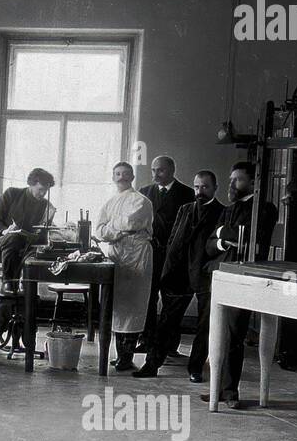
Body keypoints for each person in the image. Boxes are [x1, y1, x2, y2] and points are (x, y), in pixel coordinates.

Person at [199, 161, 279, 409]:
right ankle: (218, 390)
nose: (232, 184)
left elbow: (246, 237)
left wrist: (224, 233)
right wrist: (223, 240)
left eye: (238, 180)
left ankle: (230, 392)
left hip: (244, 278)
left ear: (254, 182)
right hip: (223, 276)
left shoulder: (264, 209)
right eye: (231, 179)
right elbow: (209, 245)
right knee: (218, 335)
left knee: (234, 335)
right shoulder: (230, 209)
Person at [133, 171, 223, 381]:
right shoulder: (185, 209)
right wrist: (168, 270)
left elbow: (220, 247)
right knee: (166, 321)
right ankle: (152, 365)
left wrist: (211, 266)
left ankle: (196, 368)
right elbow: (174, 241)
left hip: (204, 275)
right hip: (179, 274)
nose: (200, 191)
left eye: (205, 187)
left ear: (215, 188)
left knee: (204, 325)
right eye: (197, 187)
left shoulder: (222, 212)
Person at [0, 167, 56, 348]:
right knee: (14, 238)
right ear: (31, 184)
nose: (43, 194)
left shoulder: (45, 206)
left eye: (46, 190)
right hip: (0, 243)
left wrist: (48, 228)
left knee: (25, 291)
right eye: (40, 189)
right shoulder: (12, 194)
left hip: (24, 249)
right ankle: (10, 282)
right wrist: (4, 231)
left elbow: (41, 235)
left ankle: (7, 334)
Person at [94, 161, 154, 371]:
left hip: (137, 254)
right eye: (117, 173)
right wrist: (116, 229)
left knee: (133, 304)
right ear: (113, 177)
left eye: (125, 173)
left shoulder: (141, 201)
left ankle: (127, 357)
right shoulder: (110, 203)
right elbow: (99, 231)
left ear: (132, 177)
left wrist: (113, 228)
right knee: (117, 305)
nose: (121, 177)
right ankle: (121, 355)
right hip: (117, 255)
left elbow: (130, 223)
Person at [137, 155, 195, 354]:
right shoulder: (144, 193)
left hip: (175, 258)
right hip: (150, 254)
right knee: (149, 298)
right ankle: (146, 340)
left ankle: (169, 346)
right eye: (153, 170)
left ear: (172, 171)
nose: (155, 175)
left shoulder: (188, 194)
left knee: (171, 301)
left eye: (160, 170)